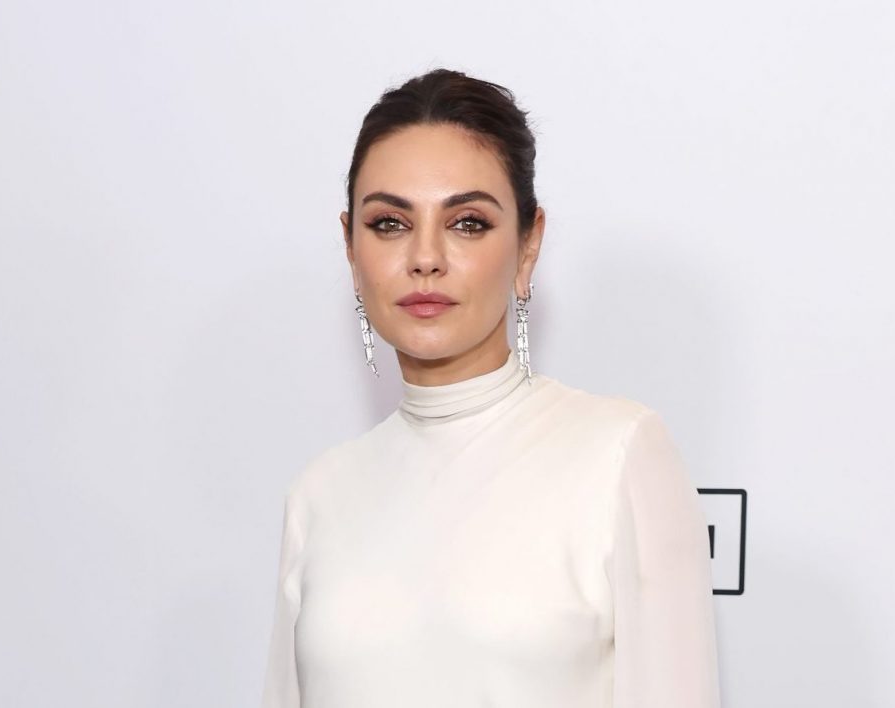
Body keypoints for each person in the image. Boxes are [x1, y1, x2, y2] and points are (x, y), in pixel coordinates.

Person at [261, 68, 722, 708]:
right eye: (390, 223)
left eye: (468, 223)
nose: (425, 257)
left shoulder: (618, 455)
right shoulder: (318, 494)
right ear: (350, 248)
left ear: (528, 246)